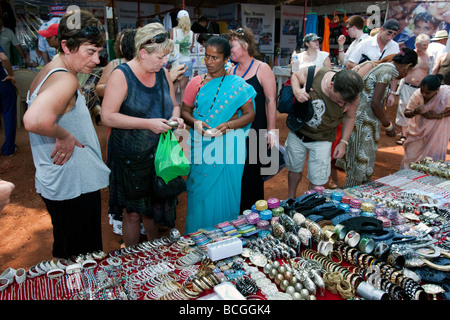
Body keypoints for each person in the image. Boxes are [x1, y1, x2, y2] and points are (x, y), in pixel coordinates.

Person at [23, 10, 111, 260]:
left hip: (60, 182)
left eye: (98, 52)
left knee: (66, 250)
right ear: (66, 46)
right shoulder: (65, 80)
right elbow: (33, 120)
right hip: (74, 186)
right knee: (85, 260)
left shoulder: (49, 71)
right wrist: (64, 136)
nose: (96, 60)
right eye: (90, 52)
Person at [101, 22, 185, 246]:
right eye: (160, 57)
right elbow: (107, 116)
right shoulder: (122, 75)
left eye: (166, 56)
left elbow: (174, 105)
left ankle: (153, 251)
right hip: (130, 158)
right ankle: (132, 257)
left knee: (153, 209)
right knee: (133, 212)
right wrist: (148, 124)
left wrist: (176, 118)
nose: (165, 62)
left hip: (157, 155)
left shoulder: (163, 74)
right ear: (143, 52)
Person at [180, 36, 256, 234]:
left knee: (225, 195)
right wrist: (195, 123)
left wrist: (229, 125)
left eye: (215, 58)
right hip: (200, 146)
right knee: (199, 196)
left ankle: (225, 239)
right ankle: (197, 239)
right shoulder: (195, 83)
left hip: (228, 148)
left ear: (226, 59)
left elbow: (250, 114)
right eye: (207, 57)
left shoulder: (237, 85)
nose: (209, 62)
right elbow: (184, 111)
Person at [336, 48, 418, 188]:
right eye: (409, 71)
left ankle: (359, 194)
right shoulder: (387, 71)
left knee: (362, 164)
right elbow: (375, 103)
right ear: (408, 66)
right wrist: (388, 125)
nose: (406, 74)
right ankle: (350, 196)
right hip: (363, 122)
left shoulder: (383, 68)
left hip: (364, 121)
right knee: (359, 165)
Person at [286, 67, 363, 198]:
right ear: (331, 85)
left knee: (318, 180)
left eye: (344, 103)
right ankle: (290, 198)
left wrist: (343, 142)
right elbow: (295, 76)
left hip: (323, 138)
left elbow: (350, 117)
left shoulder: (353, 95)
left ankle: (309, 204)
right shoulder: (315, 73)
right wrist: (297, 91)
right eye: (339, 100)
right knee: (294, 169)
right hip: (298, 133)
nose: (341, 104)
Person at [226, 27, 277, 212]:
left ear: (245, 45)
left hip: (257, 133)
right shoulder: (230, 71)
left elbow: (271, 100)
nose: (229, 50)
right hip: (234, 134)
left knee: (253, 178)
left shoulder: (262, 68)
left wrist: (272, 131)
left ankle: (255, 219)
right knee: (235, 176)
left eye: (231, 46)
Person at [400, 74, 450, 169]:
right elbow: (407, 112)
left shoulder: (446, 94)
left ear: (437, 90)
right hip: (418, 128)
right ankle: (404, 176)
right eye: (422, 91)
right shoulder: (417, 94)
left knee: (433, 156)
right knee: (410, 155)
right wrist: (415, 112)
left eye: (428, 93)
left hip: (438, 129)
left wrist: (439, 116)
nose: (423, 94)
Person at [395, 34, 433, 146]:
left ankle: (415, 135)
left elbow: (431, 72)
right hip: (407, 86)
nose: (425, 47)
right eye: (423, 45)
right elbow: (401, 71)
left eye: (427, 45)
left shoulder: (429, 57)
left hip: (421, 89)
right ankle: (404, 135)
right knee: (404, 109)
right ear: (416, 44)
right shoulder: (410, 56)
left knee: (419, 111)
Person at [170, 10, 195, 104]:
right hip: (187, 61)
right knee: (183, 88)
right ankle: (182, 110)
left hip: (176, 62)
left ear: (178, 20)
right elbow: (191, 48)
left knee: (174, 86)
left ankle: (173, 107)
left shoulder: (173, 31)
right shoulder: (192, 33)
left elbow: (170, 47)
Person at [0, 44, 17, 156]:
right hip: (2, 84)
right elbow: (4, 58)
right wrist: (11, 74)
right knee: (9, 116)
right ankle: (8, 149)